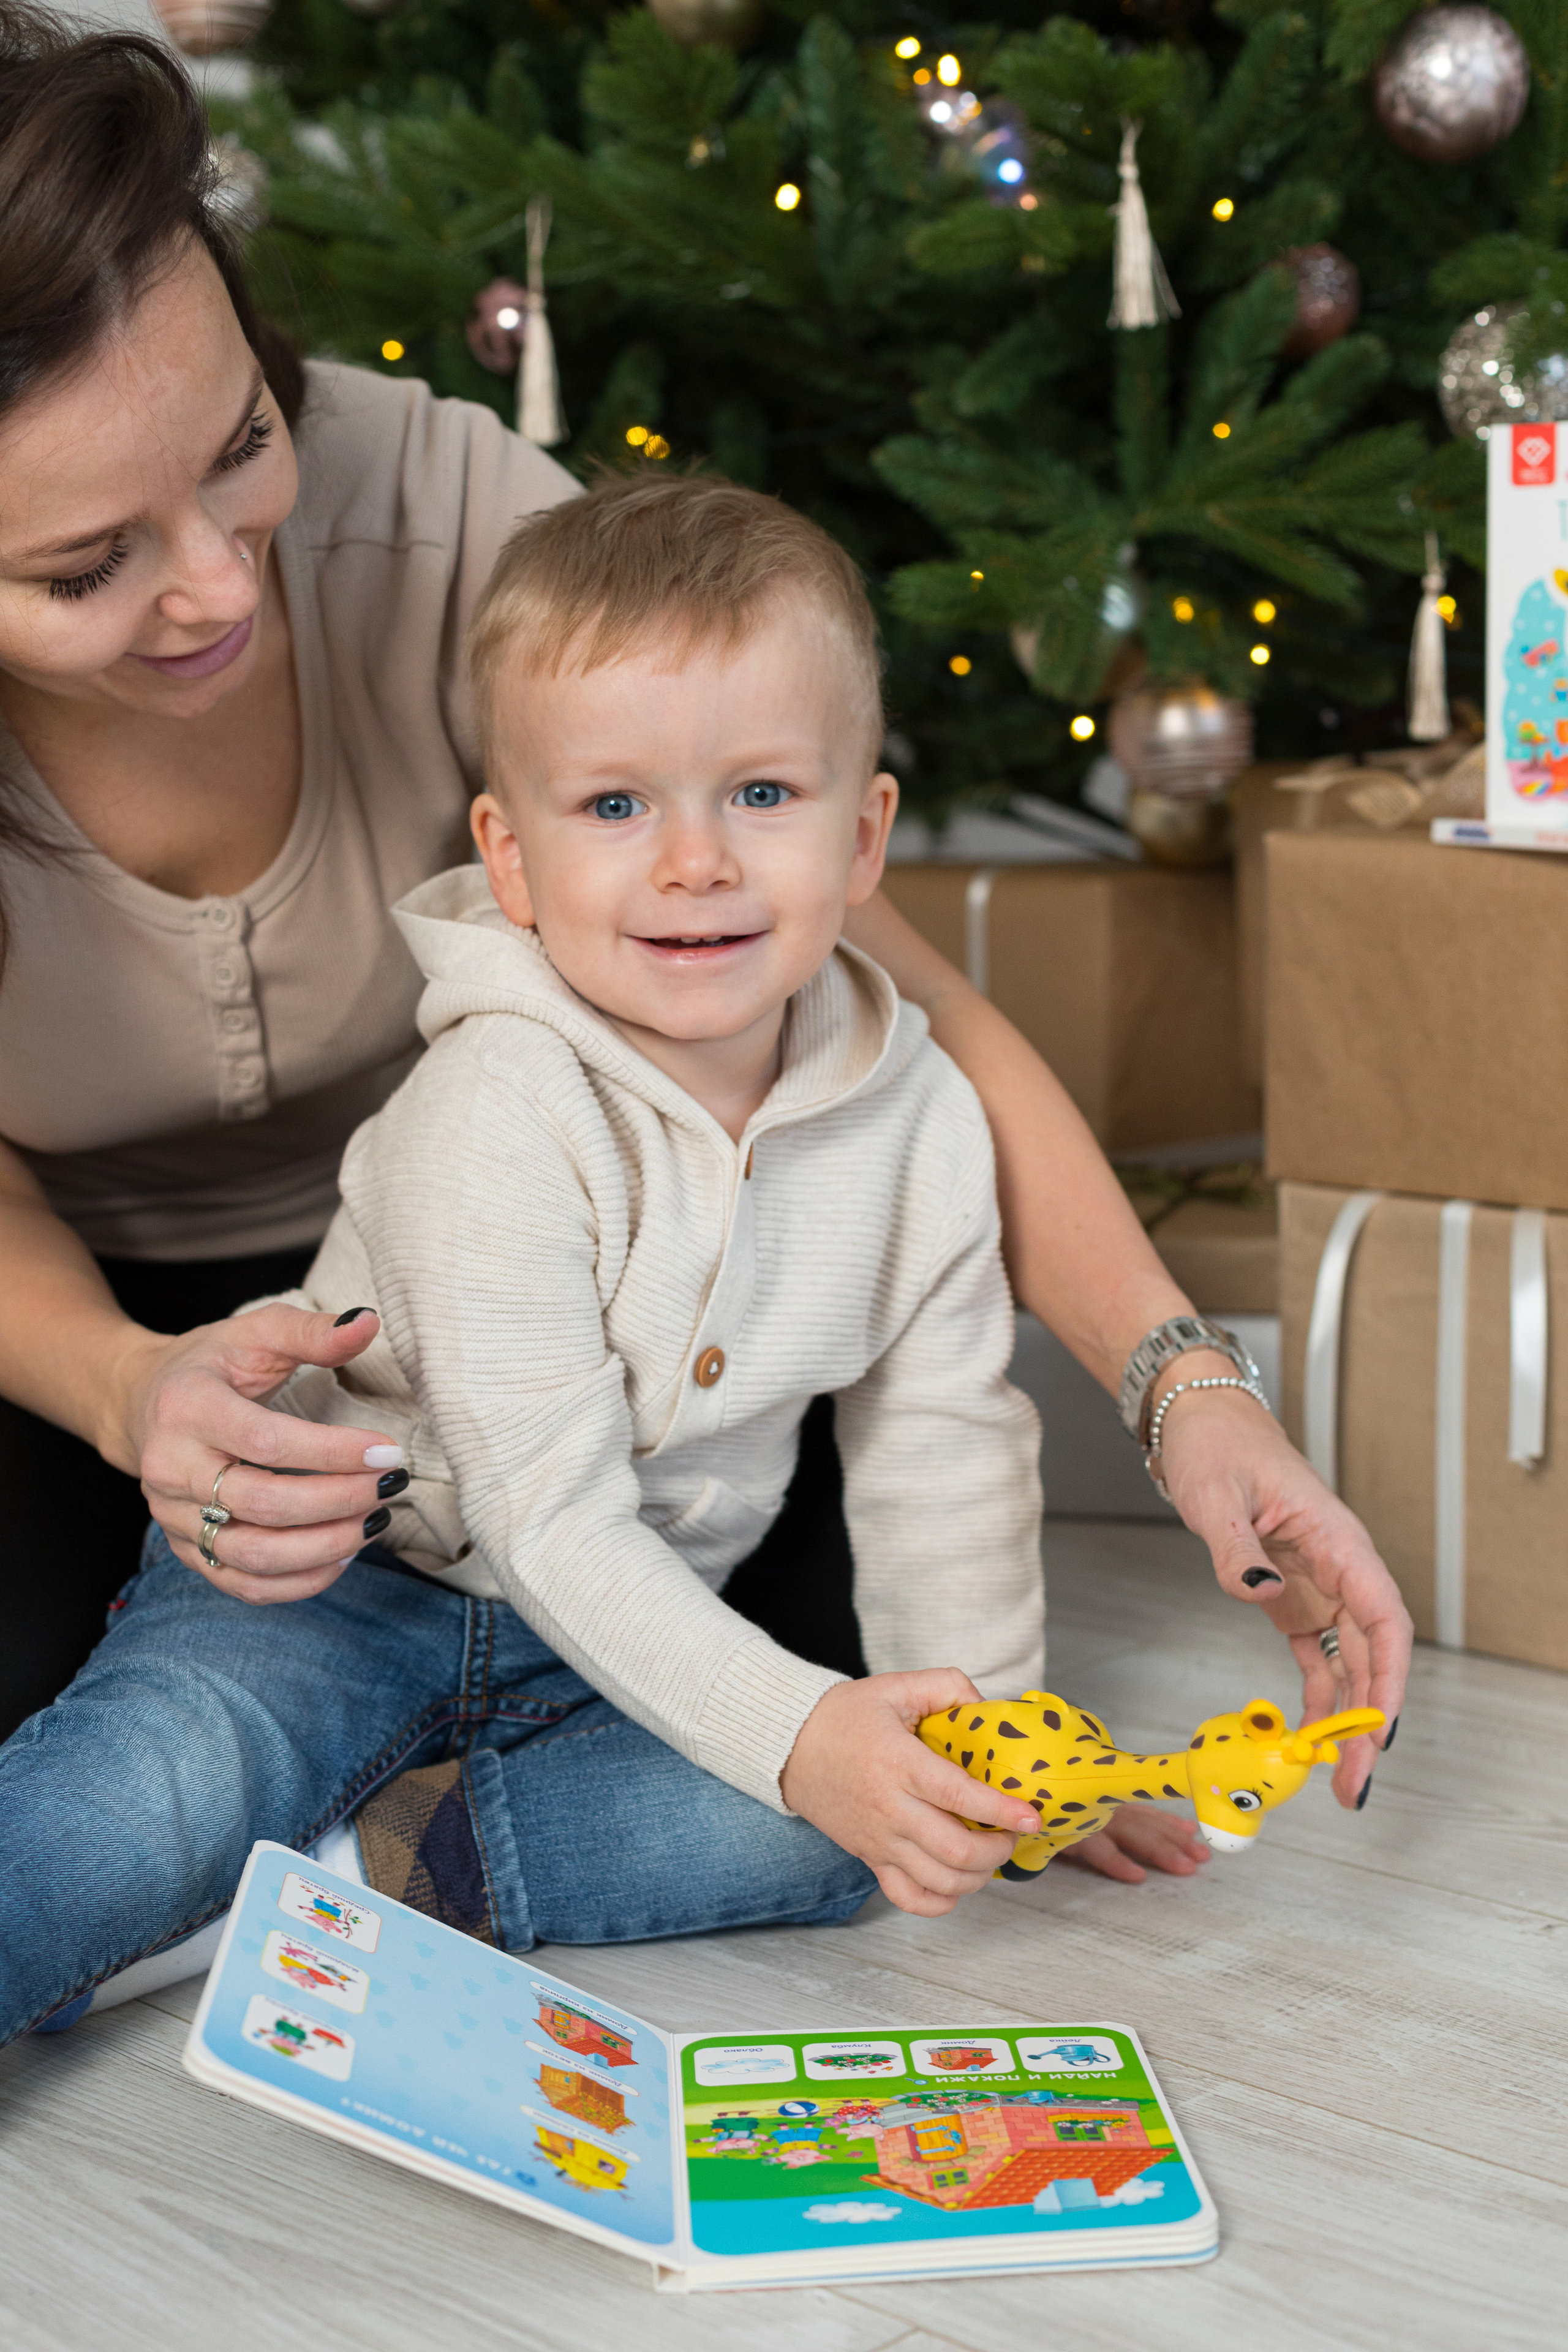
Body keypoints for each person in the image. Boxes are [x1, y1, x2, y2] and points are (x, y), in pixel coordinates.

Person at [0, 12, 1406, 1815]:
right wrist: (123, 1391)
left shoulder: (444, 517)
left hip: (541, 1274)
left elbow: (907, 1029)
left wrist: (1185, 1393)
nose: (217, 581)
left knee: (862, 1706)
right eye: (85, 564)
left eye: (241, 442)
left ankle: (460, 1840)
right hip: (77, 1314)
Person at [1, 473, 1216, 2041]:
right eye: (617, 805)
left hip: (613, 1647)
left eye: (762, 796)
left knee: (859, 1827)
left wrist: (993, 1762)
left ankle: (368, 1865)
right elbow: (543, 1515)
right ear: (509, 860)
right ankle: (230, 1852)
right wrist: (806, 1735)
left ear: (863, 839)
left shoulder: (917, 1115)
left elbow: (942, 1440)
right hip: (343, 1593)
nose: (694, 862)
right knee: (133, 1808)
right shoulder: (494, 1105)